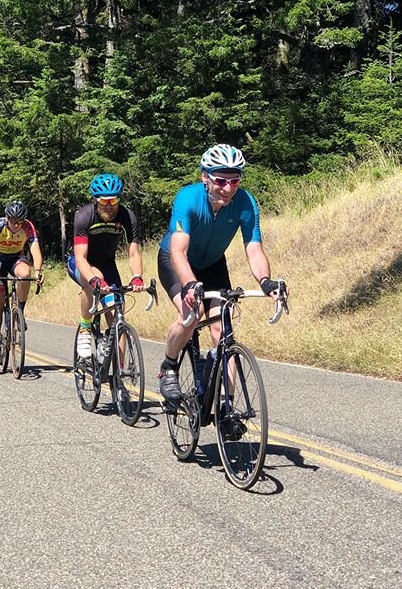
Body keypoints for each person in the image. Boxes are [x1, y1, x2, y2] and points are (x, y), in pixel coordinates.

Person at [157, 143, 287, 406]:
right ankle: (169, 366)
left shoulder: (245, 202)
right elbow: (179, 251)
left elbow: (254, 249)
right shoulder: (187, 198)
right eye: (220, 180)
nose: (228, 188)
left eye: (235, 181)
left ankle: (226, 404)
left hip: (213, 264)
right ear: (205, 177)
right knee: (192, 315)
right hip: (175, 261)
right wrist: (190, 285)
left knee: (222, 330)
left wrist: (265, 281)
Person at [67, 173, 144, 359]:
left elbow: (133, 253)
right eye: (104, 201)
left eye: (114, 200)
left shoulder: (127, 216)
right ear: (95, 200)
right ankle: (86, 328)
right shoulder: (84, 216)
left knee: (118, 314)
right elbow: (80, 257)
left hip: (108, 264)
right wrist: (93, 279)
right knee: (92, 279)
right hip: (81, 263)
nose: (109, 206)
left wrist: (137, 276)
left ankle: (120, 375)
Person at [0, 201, 44, 366]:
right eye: (13, 220)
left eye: (20, 221)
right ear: (7, 217)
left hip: (15, 258)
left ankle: (19, 314)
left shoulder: (28, 227)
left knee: (25, 274)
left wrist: (38, 271)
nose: (17, 224)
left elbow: (35, 251)